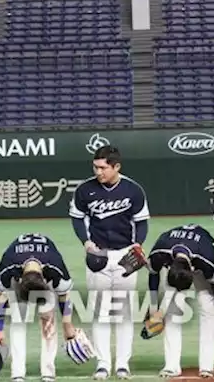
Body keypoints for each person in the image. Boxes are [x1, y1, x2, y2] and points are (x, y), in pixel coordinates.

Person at [69, 145, 149, 380]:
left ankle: (123, 364)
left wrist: (138, 245)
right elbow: (77, 219)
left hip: (126, 254)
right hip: (98, 255)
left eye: (103, 167)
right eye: (95, 167)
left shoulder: (133, 190)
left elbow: (141, 221)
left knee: (124, 311)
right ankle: (103, 364)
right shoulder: (85, 190)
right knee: (100, 312)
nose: (98, 172)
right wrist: (86, 242)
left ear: (116, 167)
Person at [0, 233, 78, 382]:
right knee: (18, 321)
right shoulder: (9, 266)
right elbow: (0, 297)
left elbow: (64, 295)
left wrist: (67, 324)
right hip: (20, 277)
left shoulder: (54, 266)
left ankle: (48, 373)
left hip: (43, 275)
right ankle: (18, 373)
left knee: (48, 320)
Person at [145, 224, 214, 378]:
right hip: (177, 258)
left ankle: (206, 367)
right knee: (172, 313)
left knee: (209, 309)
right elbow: (153, 274)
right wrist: (154, 307)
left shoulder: (207, 259)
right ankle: (171, 366)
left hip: (200, 252)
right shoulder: (160, 252)